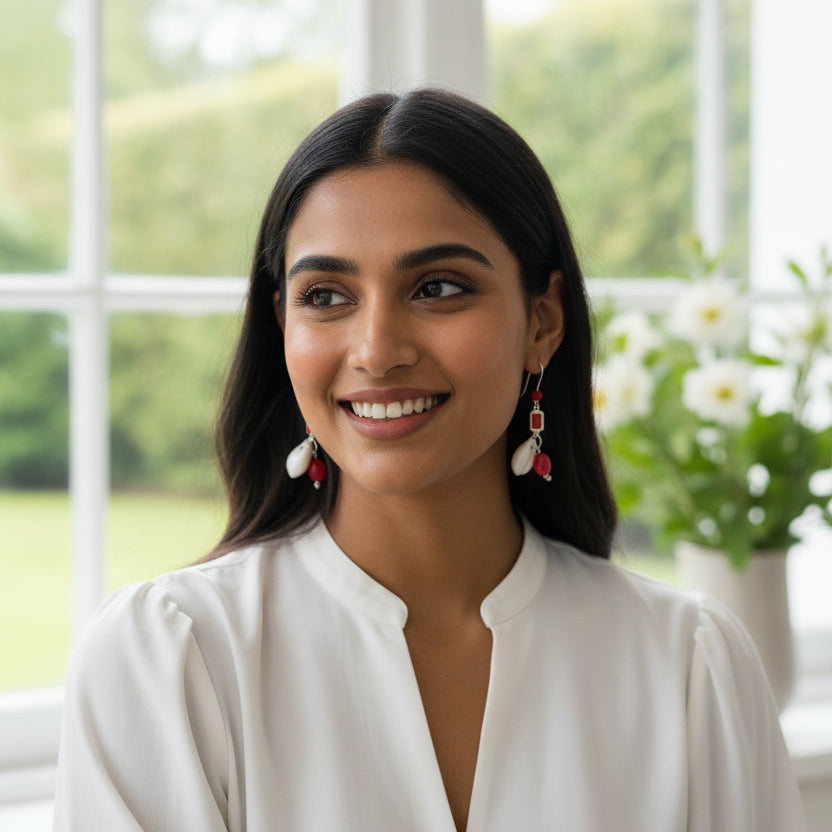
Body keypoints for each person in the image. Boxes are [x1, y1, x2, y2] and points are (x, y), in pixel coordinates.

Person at [53, 88, 804, 831]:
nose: (378, 350)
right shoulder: (171, 659)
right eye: (326, 295)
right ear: (282, 324)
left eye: (438, 288)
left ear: (542, 321)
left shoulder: (688, 665)